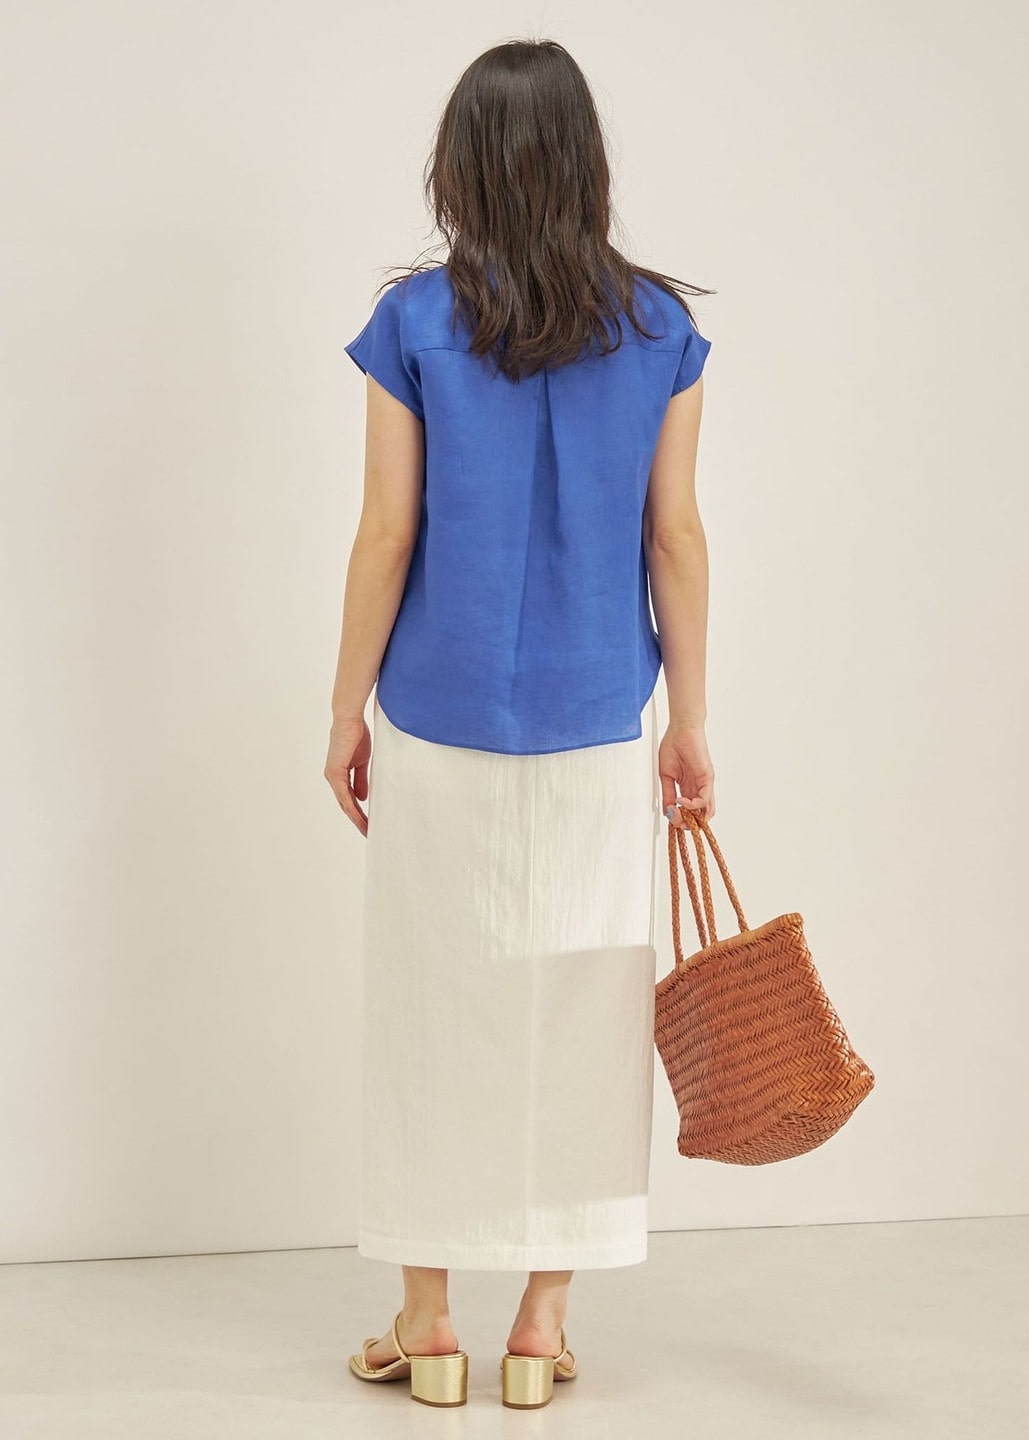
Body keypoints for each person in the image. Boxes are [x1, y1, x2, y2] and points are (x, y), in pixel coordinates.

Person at [325, 37, 715, 1410]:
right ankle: (541, 1326)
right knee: (584, 1007)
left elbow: (386, 534)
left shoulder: (414, 323)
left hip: (438, 717)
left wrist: (341, 709)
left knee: (434, 1003)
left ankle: (429, 1322)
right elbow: (676, 535)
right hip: (601, 717)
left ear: (463, 166)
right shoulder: (659, 329)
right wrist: (690, 721)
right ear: (586, 162)